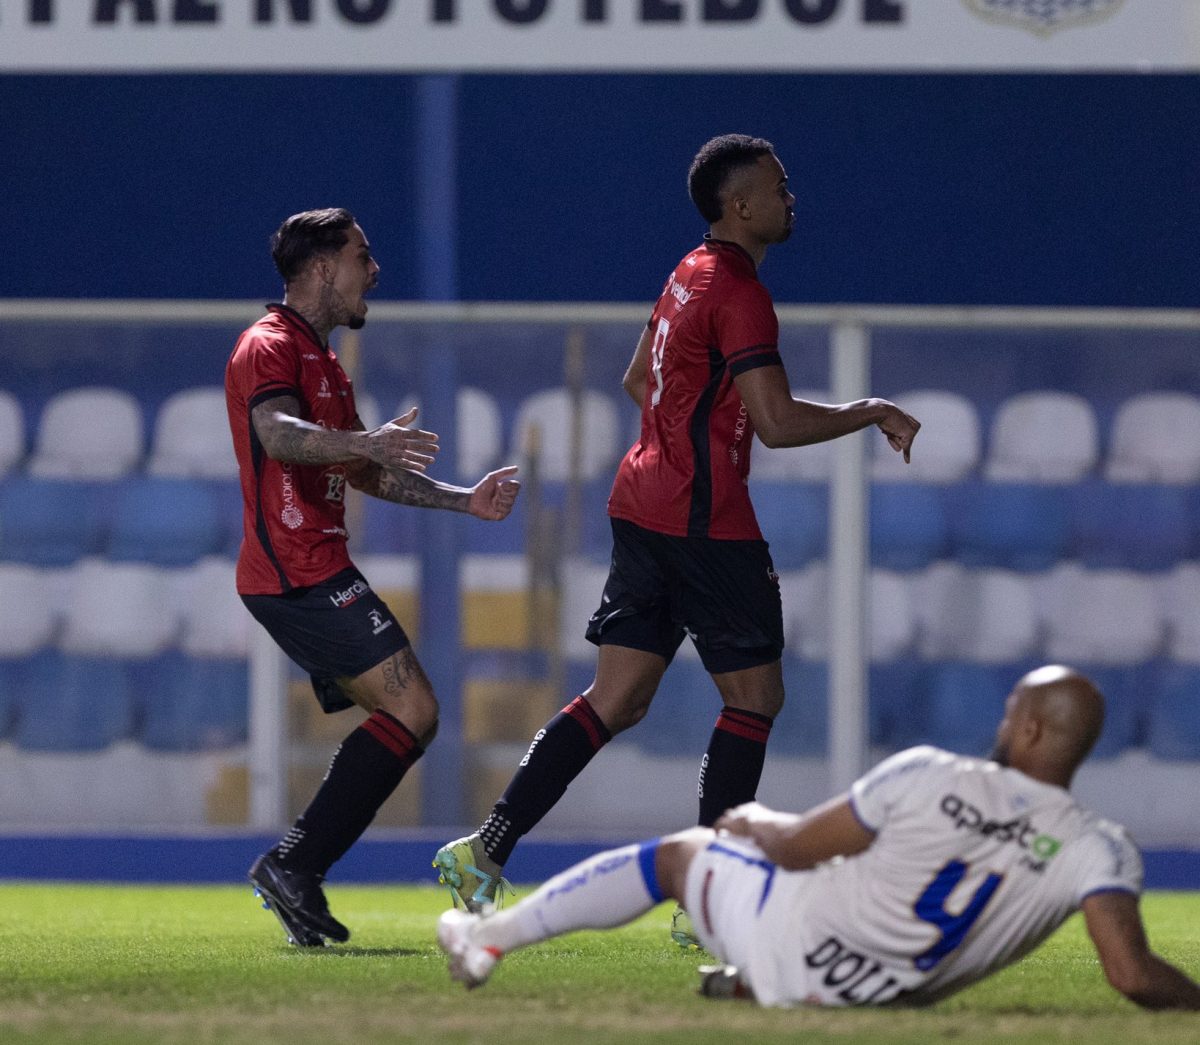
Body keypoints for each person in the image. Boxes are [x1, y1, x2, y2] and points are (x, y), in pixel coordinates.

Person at [433, 134, 921, 919]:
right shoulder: (740, 292)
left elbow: (639, 379)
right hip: (704, 517)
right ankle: (713, 896)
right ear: (741, 206)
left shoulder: (685, 274)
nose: (791, 198)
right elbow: (778, 422)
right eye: (779, 186)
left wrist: (685, 430)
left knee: (616, 697)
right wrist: (868, 409)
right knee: (755, 696)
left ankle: (486, 844)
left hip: (643, 502)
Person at [438, 665, 1200, 1010]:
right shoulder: (1099, 845)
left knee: (677, 856)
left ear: (1030, 728)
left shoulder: (932, 771)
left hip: (796, 939)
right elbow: (1132, 976)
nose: (1001, 722)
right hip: (888, 993)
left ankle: (488, 939)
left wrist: (754, 818)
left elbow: (798, 846)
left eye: (1011, 711)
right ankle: (742, 980)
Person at [225, 207, 520, 947]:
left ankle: (296, 870)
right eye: (363, 254)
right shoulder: (268, 346)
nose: (375, 268)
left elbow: (362, 470)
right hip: (294, 570)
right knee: (414, 709)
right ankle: (293, 864)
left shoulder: (321, 360)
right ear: (322, 267)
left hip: (316, 565)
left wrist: (463, 499)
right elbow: (276, 434)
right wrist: (365, 439)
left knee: (407, 715)